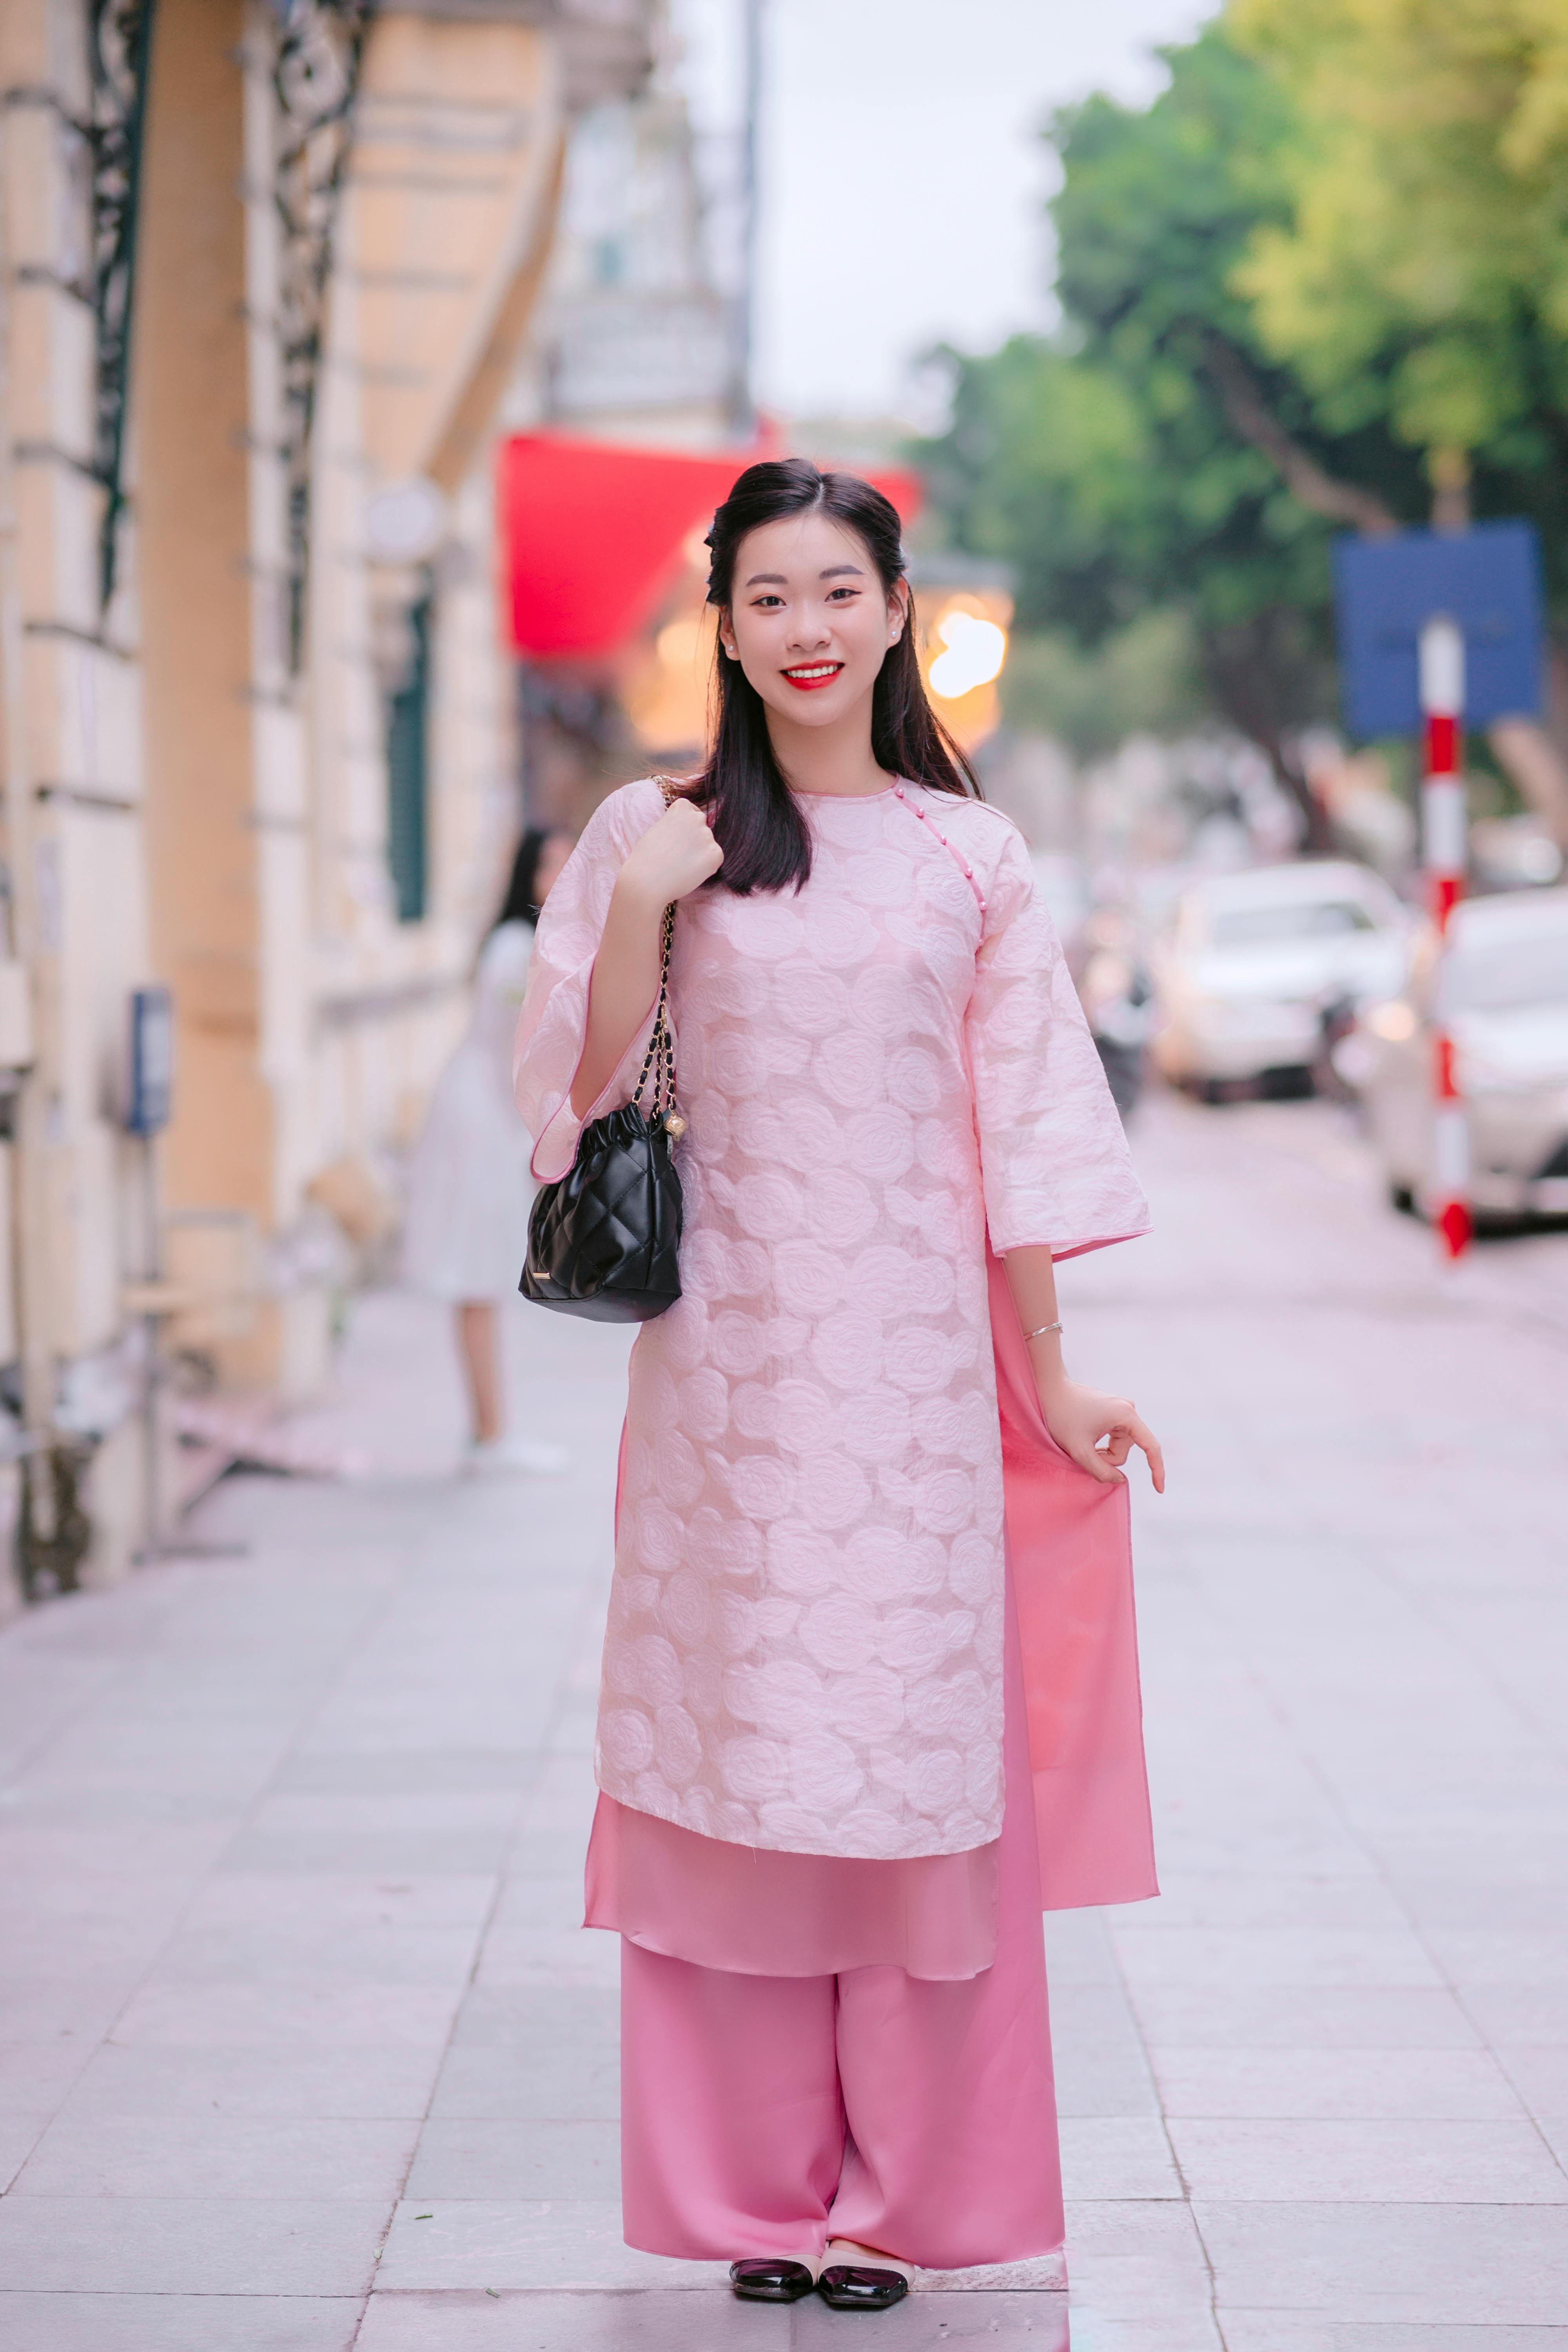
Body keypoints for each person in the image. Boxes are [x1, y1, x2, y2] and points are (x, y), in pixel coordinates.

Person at [513, 459, 1163, 2310]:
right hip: (724, 1390)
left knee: (904, 1772)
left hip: (916, 1401)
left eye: (837, 591)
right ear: (718, 623)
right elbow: (568, 1106)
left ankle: (900, 2194)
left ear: (895, 610)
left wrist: (1051, 1374)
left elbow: (1020, 1138)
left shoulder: (970, 858)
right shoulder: (647, 828)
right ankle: (748, 2195)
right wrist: (647, 896)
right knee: (734, 1766)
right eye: (768, 596)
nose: (804, 629)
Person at [404, 826, 573, 1474]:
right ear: (525, 875)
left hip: (490, 1118)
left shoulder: (529, 946)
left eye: (570, 862)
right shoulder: (516, 950)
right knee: (476, 1276)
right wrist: (541, 1145)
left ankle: (489, 1432)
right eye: (548, 865)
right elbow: (517, 1056)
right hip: (482, 1123)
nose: (559, 876)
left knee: (482, 1278)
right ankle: (490, 1436)